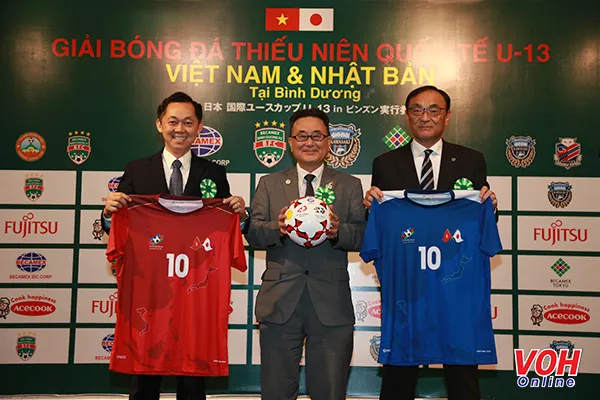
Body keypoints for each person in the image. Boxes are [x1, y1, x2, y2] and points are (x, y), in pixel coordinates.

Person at [101, 91, 248, 400]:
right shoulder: (137, 169)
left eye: (188, 122)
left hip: (195, 288)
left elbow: (224, 227)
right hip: (151, 288)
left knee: (193, 377)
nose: (180, 129)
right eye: (173, 122)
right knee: (145, 375)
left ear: (199, 128)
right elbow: (118, 225)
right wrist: (108, 213)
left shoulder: (215, 173)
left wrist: (239, 215)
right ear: (159, 124)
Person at [363, 85, 498, 400]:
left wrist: (490, 207)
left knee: (462, 372)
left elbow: (480, 219)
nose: (425, 117)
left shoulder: (471, 160)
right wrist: (370, 207)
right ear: (407, 116)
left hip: (455, 280)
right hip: (408, 281)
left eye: (434, 110)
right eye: (417, 110)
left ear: (447, 116)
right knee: (399, 371)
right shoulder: (385, 163)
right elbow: (383, 224)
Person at [246, 108, 366, 400]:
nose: (309, 142)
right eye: (302, 136)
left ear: (328, 142)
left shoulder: (349, 185)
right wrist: (278, 227)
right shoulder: (269, 183)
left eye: (317, 136)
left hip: (331, 303)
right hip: (279, 301)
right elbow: (253, 232)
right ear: (290, 142)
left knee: (329, 392)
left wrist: (337, 230)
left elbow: (363, 236)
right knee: (276, 392)